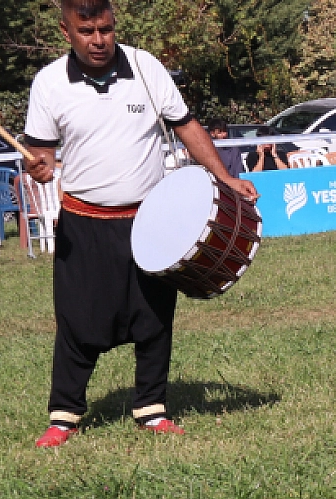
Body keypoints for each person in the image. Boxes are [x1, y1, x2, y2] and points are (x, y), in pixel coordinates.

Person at [19, 0, 256, 448]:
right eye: (86, 30)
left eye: (105, 29)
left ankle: (151, 408)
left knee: (154, 317)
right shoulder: (49, 83)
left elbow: (185, 125)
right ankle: (64, 415)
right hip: (84, 223)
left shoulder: (146, 68)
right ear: (65, 30)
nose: (97, 40)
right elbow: (40, 153)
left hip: (149, 217)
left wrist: (226, 178)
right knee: (77, 321)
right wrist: (39, 167)